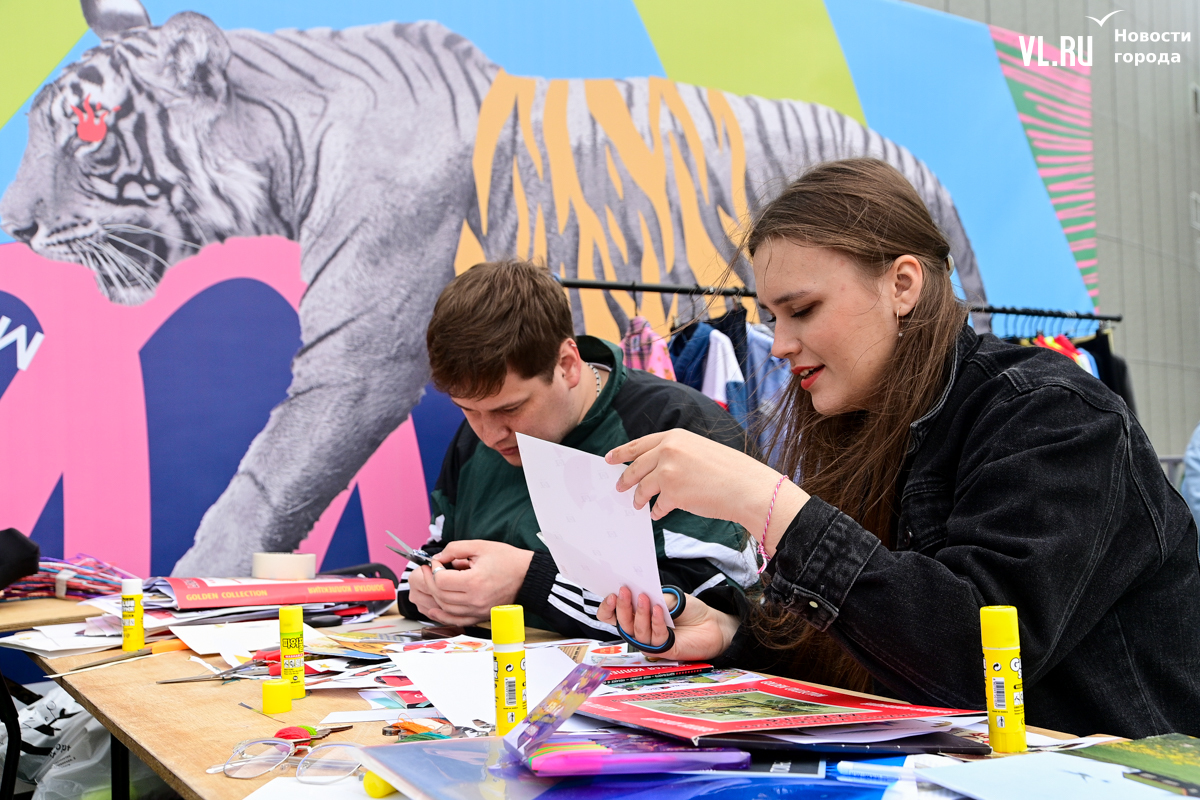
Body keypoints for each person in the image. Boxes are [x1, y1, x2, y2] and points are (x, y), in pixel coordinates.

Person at [598, 158, 1200, 738]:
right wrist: (732, 633)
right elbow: (877, 648)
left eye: (802, 310)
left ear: (903, 284)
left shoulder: (1054, 414)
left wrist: (770, 502)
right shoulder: (866, 421)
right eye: (771, 317)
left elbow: (977, 663)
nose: (779, 344)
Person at [396, 259, 759, 638]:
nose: (489, 434)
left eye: (510, 408)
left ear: (568, 364)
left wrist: (528, 580)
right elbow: (434, 551)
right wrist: (424, 588)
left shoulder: (681, 425)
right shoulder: (477, 436)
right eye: (468, 410)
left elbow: (713, 614)